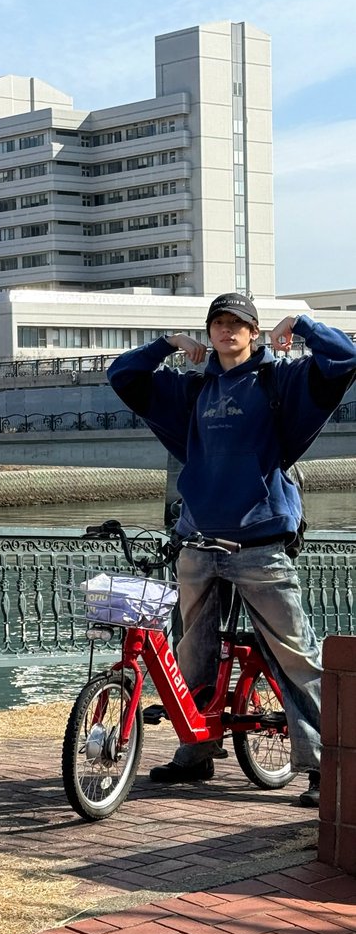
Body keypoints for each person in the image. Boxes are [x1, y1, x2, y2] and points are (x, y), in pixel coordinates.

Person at [107, 292, 356, 808]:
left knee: (295, 656)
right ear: (209, 332)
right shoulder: (194, 387)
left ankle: (320, 767)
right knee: (190, 654)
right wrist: (166, 344)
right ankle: (195, 750)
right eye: (218, 324)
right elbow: (122, 376)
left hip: (261, 542)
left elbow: (345, 360)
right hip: (197, 542)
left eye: (237, 324)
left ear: (255, 331)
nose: (227, 332)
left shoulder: (278, 380)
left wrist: (304, 325)